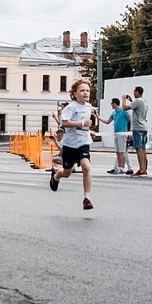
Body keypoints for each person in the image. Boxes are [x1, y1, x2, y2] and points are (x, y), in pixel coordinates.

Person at [48, 79, 97, 210]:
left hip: (83, 143)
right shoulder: (71, 108)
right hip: (70, 145)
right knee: (67, 173)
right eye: (82, 90)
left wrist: (89, 130)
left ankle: (87, 198)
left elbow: (85, 124)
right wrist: (82, 123)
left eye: (87, 90)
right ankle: (56, 176)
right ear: (75, 94)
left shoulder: (89, 107)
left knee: (86, 167)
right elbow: (64, 123)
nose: (85, 93)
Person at [98, 98, 131, 175]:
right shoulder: (114, 113)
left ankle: (122, 168)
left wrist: (130, 130)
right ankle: (119, 167)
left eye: (111, 103)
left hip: (122, 134)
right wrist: (98, 117)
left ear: (114, 103)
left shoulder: (123, 111)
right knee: (118, 152)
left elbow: (130, 119)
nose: (111, 105)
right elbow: (107, 121)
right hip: (116, 134)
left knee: (122, 151)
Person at [125, 87, 149, 177]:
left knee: (138, 148)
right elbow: (136, 107)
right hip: (144, 126)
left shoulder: (138, 101)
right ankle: (144, 168)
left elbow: (125, 108)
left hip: (137, 127)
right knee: (143, 148)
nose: (133, 93)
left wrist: (123, 99)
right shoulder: (144, 101)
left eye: (134, 91)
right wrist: (131, 100)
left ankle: (141, 169)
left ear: (138, 92)